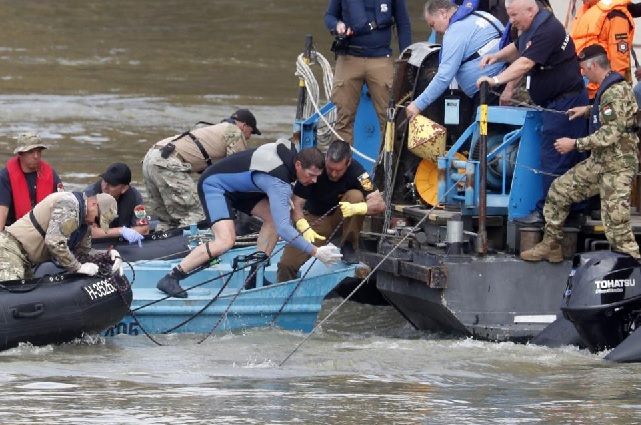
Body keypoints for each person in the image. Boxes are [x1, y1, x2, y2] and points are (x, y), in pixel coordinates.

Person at [156, 139, 343, 298]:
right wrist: (315, 252)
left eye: (318, 176)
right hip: (215, 186)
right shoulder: (279, 183)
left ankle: (254, 274)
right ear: (298, 165)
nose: (314, 181)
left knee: (274, 217)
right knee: (225, 241)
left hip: (242, 188)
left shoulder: (292, 153)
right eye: (311, 175)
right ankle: (171, 277)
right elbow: (285, 229)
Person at [521, 44, 640, 262]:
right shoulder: (607, 88)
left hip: (617, 167)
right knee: (559, 190)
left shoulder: (616, 90)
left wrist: (574, 144)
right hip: (600, 163)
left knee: (617, 227)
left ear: (594, 65)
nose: (582, 73)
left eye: (584, 69)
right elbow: (608, 113)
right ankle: (551, 244)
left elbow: (610, 134)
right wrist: (586, 110)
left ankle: (633, 267)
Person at [476, 0, 589, 226]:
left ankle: (548, 214)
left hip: (565, 103)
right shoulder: (530, 27)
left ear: (530, 10)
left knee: (554, 160)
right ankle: (569, 210)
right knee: (557, 158)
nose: (511, 20)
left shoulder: (548, 29)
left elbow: (526, 62)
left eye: (514, 15)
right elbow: (519, 47)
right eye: (509, 15)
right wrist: (497, 57)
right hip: (554, 103)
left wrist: (496, 79)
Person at [276, 139, 385, 283]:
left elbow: (379, 204)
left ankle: (348, 245)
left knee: (356, 196)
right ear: (326, 159)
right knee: (286, 264)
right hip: (315, 220)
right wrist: (302, 224)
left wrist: (359, 207)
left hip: (343, 218)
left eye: (338, 170)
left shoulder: (357, 172)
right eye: (329, 169)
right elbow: (296, 202)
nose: (333, 174)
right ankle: (285, 296)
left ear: (349, 163)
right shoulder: (315, 167)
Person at [142, 109, 259, 230]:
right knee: (198, 213)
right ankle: (187, 244)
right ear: (244, 125)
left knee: (167, 218)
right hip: (168, 162)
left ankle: (163, 242)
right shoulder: (234, 132)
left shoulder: (212, 131)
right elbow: (236, 171)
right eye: (251, 132)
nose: (249, 137)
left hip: (151, 158)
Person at [324, 0, 412, 143]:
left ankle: (388, 163)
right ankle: (340, 163)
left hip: (382, 58)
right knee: (343, 120)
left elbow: (404, 24)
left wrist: (406, 59)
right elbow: (329, 16)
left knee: (390, 118)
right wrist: (337, 25)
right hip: (349, 58)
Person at [405, 0, 505, 121]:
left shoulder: (455, 31)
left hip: (490, 91)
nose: (435, 31)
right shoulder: (482, 15)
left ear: (443, 13)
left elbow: (444, 77)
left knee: (483, 137)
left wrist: (418, 104)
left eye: (433, 25)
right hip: (501, 82)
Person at [0, 191, 122, 281]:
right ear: (93, 204)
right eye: (97, 219)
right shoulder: (69, 204)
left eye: (100, 223)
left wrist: (107, 255)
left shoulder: (84, 224)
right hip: (10, 248)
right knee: (9, 290)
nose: (95, 224)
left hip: (27, 260)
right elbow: (54, 241)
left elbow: (83, 253)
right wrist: (77, 268)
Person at [570, 0, 635, 100]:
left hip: (603, 91)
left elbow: (619, 60)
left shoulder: (615, 14)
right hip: (583, 88)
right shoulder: (585, 10)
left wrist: (613, 92)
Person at [0, 132, 64, 231]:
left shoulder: (51, 175)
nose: (36, 156)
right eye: (31, 152)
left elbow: (63, 206)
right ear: (20, 154)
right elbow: (2, 212)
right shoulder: (5, 177)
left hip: (44, 232)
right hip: (14, 231)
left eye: (39, 151)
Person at [83, 162, 148, 245]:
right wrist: (121, 231)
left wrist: (125, 232)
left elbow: (144, 229)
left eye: (112, 184)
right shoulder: (89, 195)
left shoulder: (134, 197)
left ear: (124, 188)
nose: (105, 187)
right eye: (105, 181)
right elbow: (88, 232)